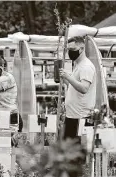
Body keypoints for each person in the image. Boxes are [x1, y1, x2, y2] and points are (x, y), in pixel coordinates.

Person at [60, 36, 96, 177]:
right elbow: (75, 88)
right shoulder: (78, 66)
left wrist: (68, 77)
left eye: (72, 50)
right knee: (68, 153)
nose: (70, 52)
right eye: (68, 49)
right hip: (72, 115)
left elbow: (84, 88)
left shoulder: (86, 66)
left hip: (80, 117)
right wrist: (66, 83)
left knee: (75, 154)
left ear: (81, 49)